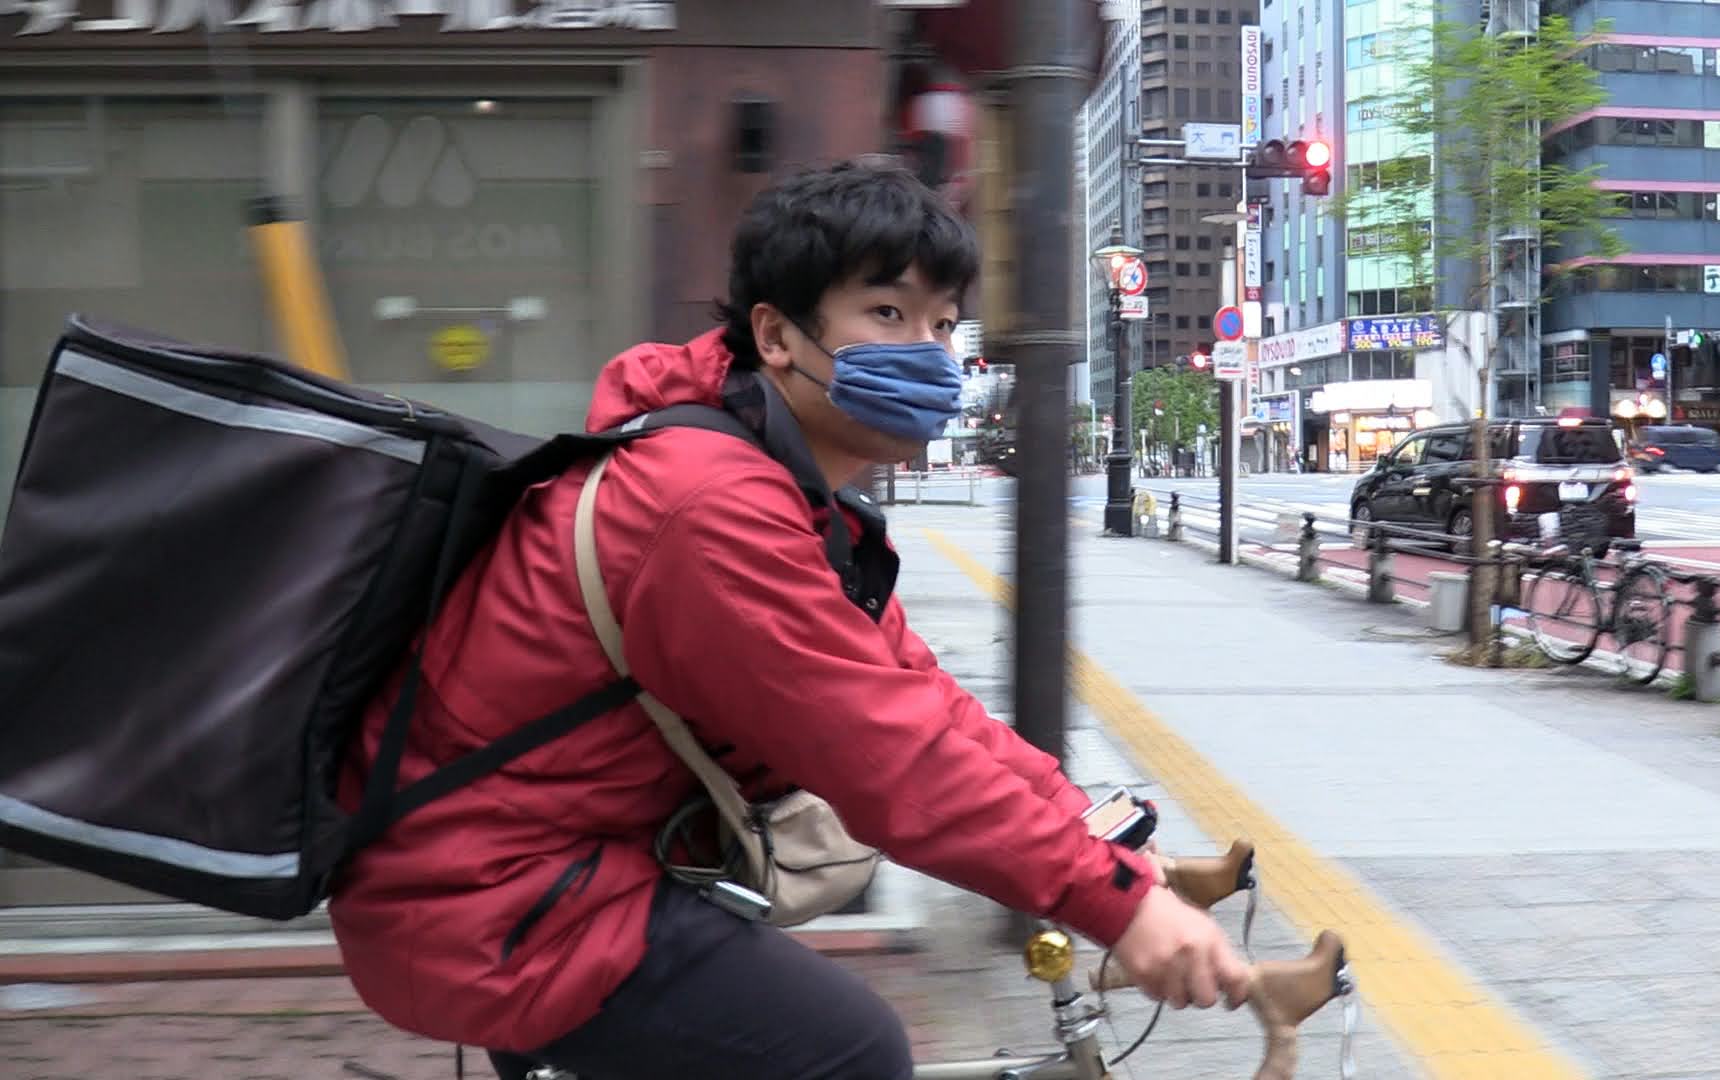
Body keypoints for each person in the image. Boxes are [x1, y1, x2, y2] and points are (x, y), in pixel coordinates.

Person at [326, 161, 1251, 1080]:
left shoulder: (778, 488)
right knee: (848, 1051)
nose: (927, 355)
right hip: (485, 901)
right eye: (886, 315)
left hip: (536, 875)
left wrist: (1092, 830)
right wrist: (1114, 904)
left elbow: (919, 699)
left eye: (940, 325)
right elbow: (885, 755)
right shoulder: (705, 506)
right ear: (775, 333)